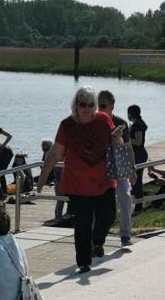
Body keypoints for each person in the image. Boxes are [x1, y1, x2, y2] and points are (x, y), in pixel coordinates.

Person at [36, 86, 122, 274]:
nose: (87, 108)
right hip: (77, 184)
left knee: (108, 215)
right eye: (83, 104)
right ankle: (83, 262)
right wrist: (42, 180)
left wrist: (117, 139)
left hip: (104, 182)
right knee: (81, 224)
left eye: (91, 104)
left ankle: (97, 241)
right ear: (75, 105)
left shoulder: (103, 119)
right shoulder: (67, 125)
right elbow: (55, 154)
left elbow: (116, 143)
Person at [98, 90, 134, 247]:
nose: (100, 109)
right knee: (100, 203)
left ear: (112, 106)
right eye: (98, 106)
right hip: (101, 167)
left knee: (125, 198)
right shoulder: (94, 122)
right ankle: (98, 238)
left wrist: (132, 168)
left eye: (103, 106)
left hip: (119, 165)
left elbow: (127, 147)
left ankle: (125, 235)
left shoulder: (121, 123)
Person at [127, 104, 148, 203]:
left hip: (138, 154)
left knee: (137, 180)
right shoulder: (138, 123)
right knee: (135, 179)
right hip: (138, 153)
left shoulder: (138, 125)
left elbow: (138, 142)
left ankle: (139, 204)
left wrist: (126, 138)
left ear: (131, 114)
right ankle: (137, 201)